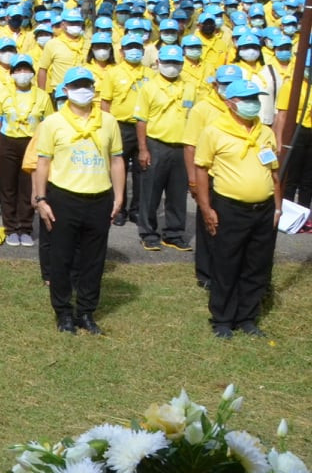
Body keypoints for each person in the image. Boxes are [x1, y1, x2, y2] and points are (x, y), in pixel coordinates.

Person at [31, 68, 125, 334]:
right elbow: (43, 162)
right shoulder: (52, 123)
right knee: (61, 258)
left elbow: (117, 159)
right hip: (64, 197)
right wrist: (40, 198)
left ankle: (86, 311)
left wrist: (118, 196)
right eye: (76, 85)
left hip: (99, 197)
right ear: (65, 90)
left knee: (94, 260)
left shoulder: (108, 121)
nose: (82, 90)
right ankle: (63, 312)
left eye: (87, 85)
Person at [193, 76, 283, 339]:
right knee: (226, 263)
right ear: (231, 102)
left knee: (257, 264)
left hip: (263, 209)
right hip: (230, 208)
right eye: (247, 99)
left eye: (256, 99)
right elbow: (201, 169)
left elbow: (274, 172)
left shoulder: (264, 132)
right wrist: (206, 208)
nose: (253, 104)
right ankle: (222, 318)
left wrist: (277, 206)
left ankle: (247, 316)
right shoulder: (214, 131)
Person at [130, 43, 193, 252]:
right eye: (168, 62)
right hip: (156, 144)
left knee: (177, 193)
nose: (172, 67)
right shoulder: (148, 87)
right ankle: (148, 233)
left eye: (176, 63)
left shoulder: (190, 86)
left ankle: (174, 233)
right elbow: (141, 120)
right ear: (158, 63)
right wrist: (143, 149)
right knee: (151, 192)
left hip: (182, 146)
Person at [0, 53, 52, 248]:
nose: (22, 73)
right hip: (7, 143)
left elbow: (48, 125)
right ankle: (10, 227)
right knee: (7, 187)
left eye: (26, 70)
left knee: (27, 188)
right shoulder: (3, 94)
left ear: (32, 73)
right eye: (18, 70)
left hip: (32, 144)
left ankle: (25, 227)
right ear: (12, 73)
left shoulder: (42, 96)